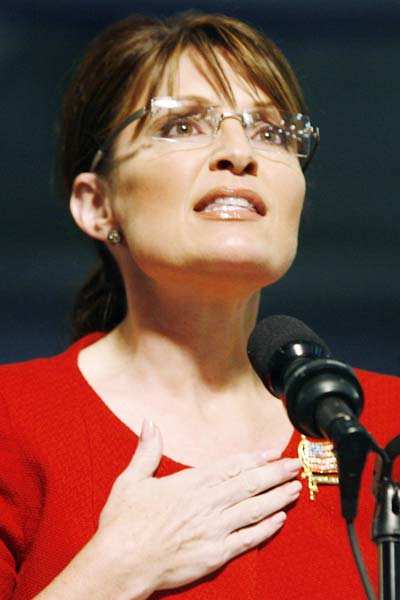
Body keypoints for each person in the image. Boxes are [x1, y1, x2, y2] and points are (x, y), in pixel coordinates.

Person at [0, 11, 399, 600]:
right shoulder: (13, 420)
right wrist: (113, 572)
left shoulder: (386, 425)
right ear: (98, 206)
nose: (240, 153)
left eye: (271, 132)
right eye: (183, 126)